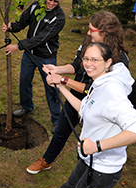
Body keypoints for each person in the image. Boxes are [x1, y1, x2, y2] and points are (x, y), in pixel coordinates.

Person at [41, 42, 136, 188]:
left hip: (104, 168)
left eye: (95, 60)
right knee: (73, 182)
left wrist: (98, 145)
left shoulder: (112, 92)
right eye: (86, 59)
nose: (88, 64)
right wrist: (61, 86)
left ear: (108, 62)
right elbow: (86, 108)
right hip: (90, 157)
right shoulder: (98, 83)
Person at [27, 10, 129, 174]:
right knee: (61, 131)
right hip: (75, 96)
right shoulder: (89, 42)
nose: (88, 33)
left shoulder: (118, 60)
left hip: (97, 106)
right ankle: (46, 160)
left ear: (104, 32)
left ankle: (84, 172)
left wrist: (62, 81)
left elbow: (92, 91)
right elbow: (76, 66)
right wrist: (57, 69)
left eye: (92, 30)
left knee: (88, 140)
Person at [3, 0, 65, 129]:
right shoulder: (36, 6)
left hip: (46, 57)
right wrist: (11, 26)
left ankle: (57, 119)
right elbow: (23, 21)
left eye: (55, 1)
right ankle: (26, 107)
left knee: (51, 86)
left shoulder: (59, 17)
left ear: (60, 0)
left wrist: (18, 46)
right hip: (29, 54)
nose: (51, 3)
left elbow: (42, 38)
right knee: (24, 81)